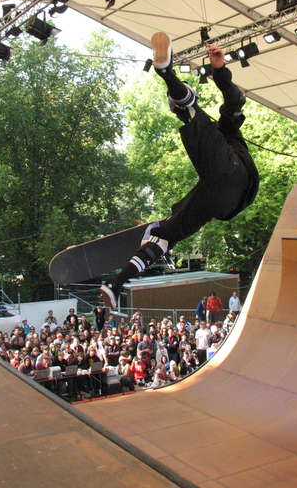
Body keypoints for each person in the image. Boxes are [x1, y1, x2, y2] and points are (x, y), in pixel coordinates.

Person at [101, 33, 259, 308]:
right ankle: (114, 285)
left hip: (228, 187)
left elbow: (234, 101)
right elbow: (235, 99)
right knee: (165, 237)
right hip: (225, 197)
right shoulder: (227, 134)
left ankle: (166, 73)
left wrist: (219, 70)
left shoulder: (222, 132)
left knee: (191, 113)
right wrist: (220, 71)